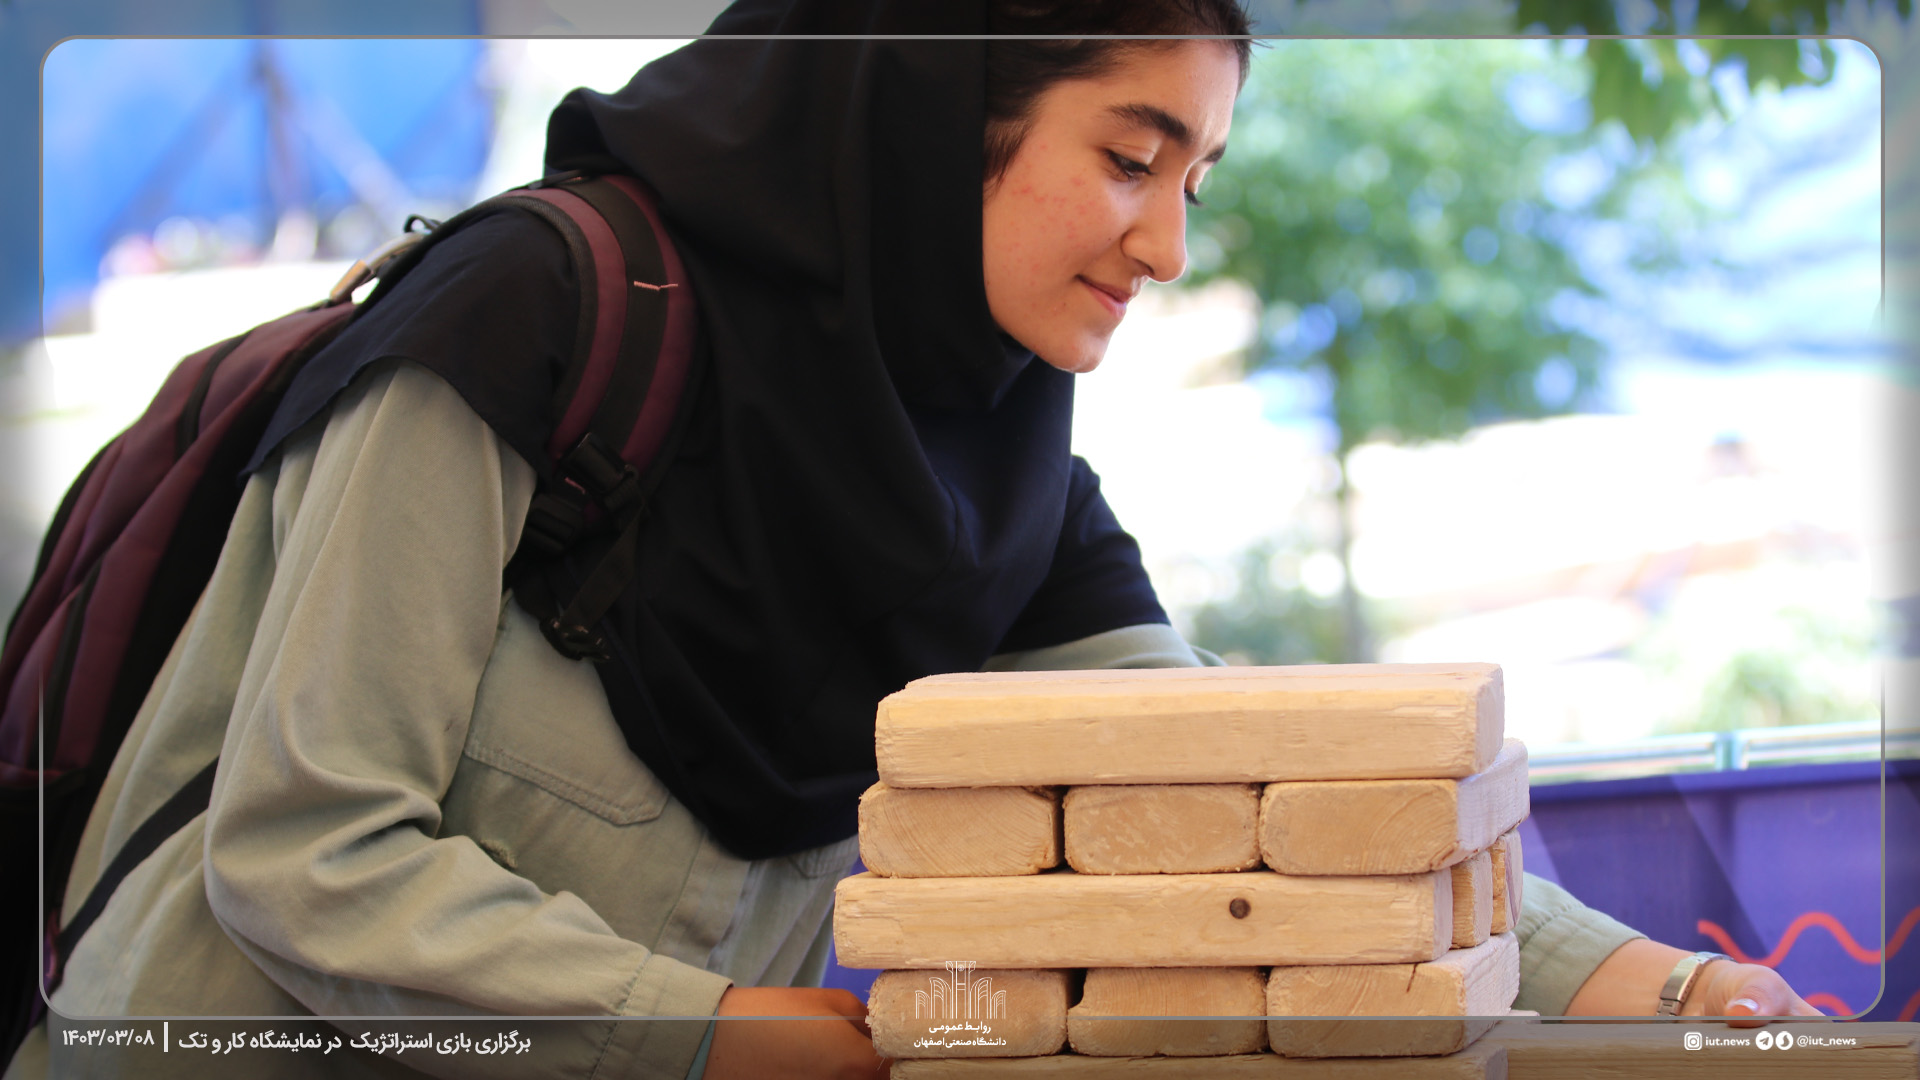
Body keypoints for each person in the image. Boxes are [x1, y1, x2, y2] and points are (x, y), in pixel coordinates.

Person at [6, 1, 1817, 1078]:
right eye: (1130, 157)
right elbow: (307, 851)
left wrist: (1647, 984)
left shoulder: (989, 482)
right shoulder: (533, 324)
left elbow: (1248, 792)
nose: (1169, 245)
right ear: (945, 109)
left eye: (1197, 179)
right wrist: (704, 1031)